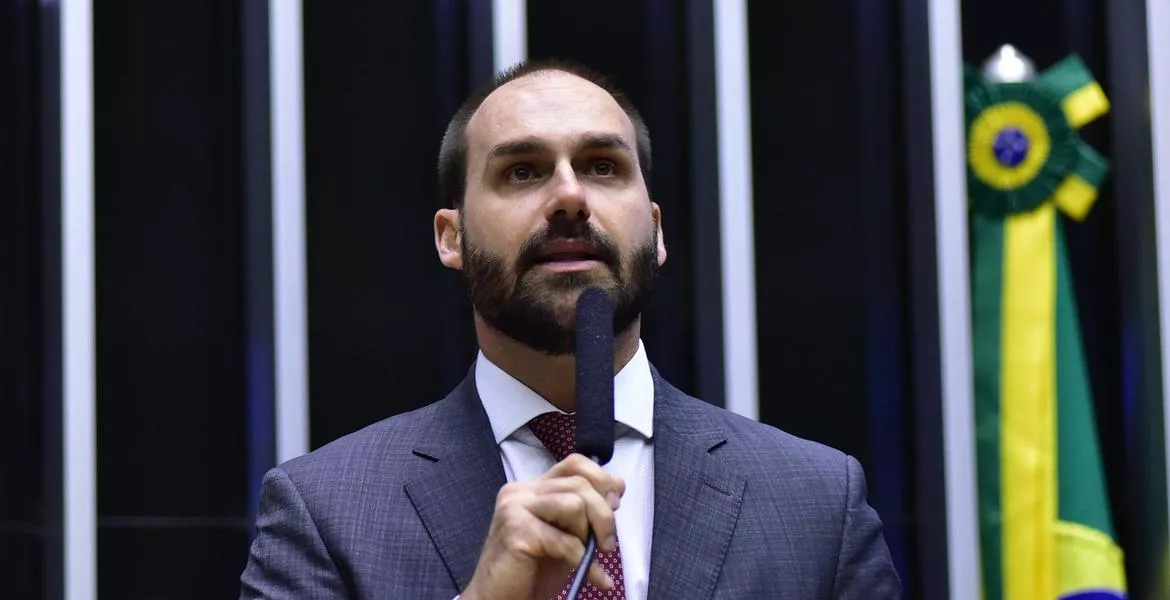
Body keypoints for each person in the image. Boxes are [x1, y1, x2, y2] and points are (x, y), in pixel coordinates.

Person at [239, 58, 900, 599]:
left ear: (658, 230)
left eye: (602, 167)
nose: (569, 197)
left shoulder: (817, 504)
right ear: (452, 237)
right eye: (522, 171)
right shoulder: (323, 512)